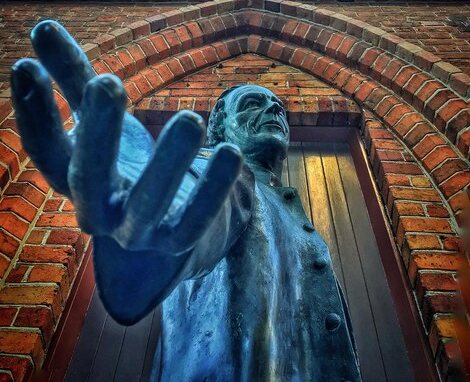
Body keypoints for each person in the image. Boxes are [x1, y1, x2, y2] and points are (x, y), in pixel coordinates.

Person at [11, 20, 361, 382]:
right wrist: (156, 225)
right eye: (254, 104)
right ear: (220, 128)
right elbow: (202, 204)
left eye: (278, 107)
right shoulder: (225, 175)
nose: (274, 111)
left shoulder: (285, 206)